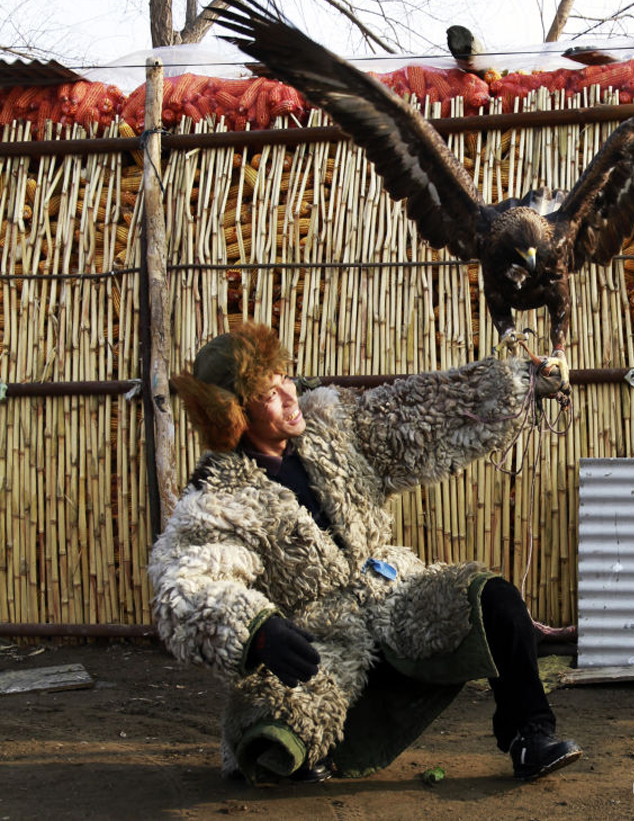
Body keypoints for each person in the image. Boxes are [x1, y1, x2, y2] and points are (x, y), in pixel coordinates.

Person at [148, 321, 582, 785]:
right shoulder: (219, 499)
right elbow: (183, 583)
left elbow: (416, 412)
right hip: (320, 637)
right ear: (231, 412)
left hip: (393, 595)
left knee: (494, 602)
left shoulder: (333, 428)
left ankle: (529, 734)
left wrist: (517, 381)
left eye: (285, 381)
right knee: (270, 739)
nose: (290, 397)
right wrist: (256, 631)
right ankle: (309, 750)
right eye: (269, 395)